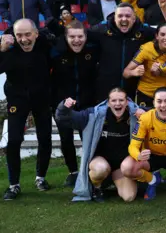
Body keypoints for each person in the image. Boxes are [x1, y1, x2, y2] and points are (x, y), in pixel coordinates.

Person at [55, 88, 141, 202]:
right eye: (114, 100)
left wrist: (147, 114)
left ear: (127, 102)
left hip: (121, 167)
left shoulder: (135, 114)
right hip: (100, 161)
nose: (117, 103)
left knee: (129, 197)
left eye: (121, 100)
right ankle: (97, 186)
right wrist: (64, 106)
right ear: (108, 103)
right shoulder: (94, 114)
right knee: (101, 169)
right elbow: (62, 118)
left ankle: (112, 181)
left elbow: (158, 114)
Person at [0, 19, 55, 200]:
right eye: (19, 35)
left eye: (28, 34)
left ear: (36, 34)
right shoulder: (8, 51)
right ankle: (14, 185)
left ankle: (41, 177)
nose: (24, 39)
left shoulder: (44, 45)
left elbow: (62, 35)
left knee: (45, 138)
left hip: (42, 98)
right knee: (14, 140)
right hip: (17, 99)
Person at [50, 21, 99, 187]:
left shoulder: (92, 49)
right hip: (63, 103)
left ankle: (89, 169)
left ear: (86, 36)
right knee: (66, 139)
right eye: (72, 36)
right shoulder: (56, 52)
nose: (76, 40)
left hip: (86, 102)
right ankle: (73, 172)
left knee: (88, 138)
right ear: (65, 37)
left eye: (80, 36)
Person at [86, 3, 165, 101]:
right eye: (120, 16)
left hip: (133, 89)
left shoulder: (144, 31)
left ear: (134, 18)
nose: (124, 19)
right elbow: (81, 34)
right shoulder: (102, 29)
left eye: (128, 16)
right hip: (105, 89)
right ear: (114, 17)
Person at [123, 23, 166, 108]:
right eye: (162, 34)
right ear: (156, 36)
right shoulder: (147, 48)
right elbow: (125, 73)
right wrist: (134, 72)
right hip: (146, 94)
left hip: (165, 95)